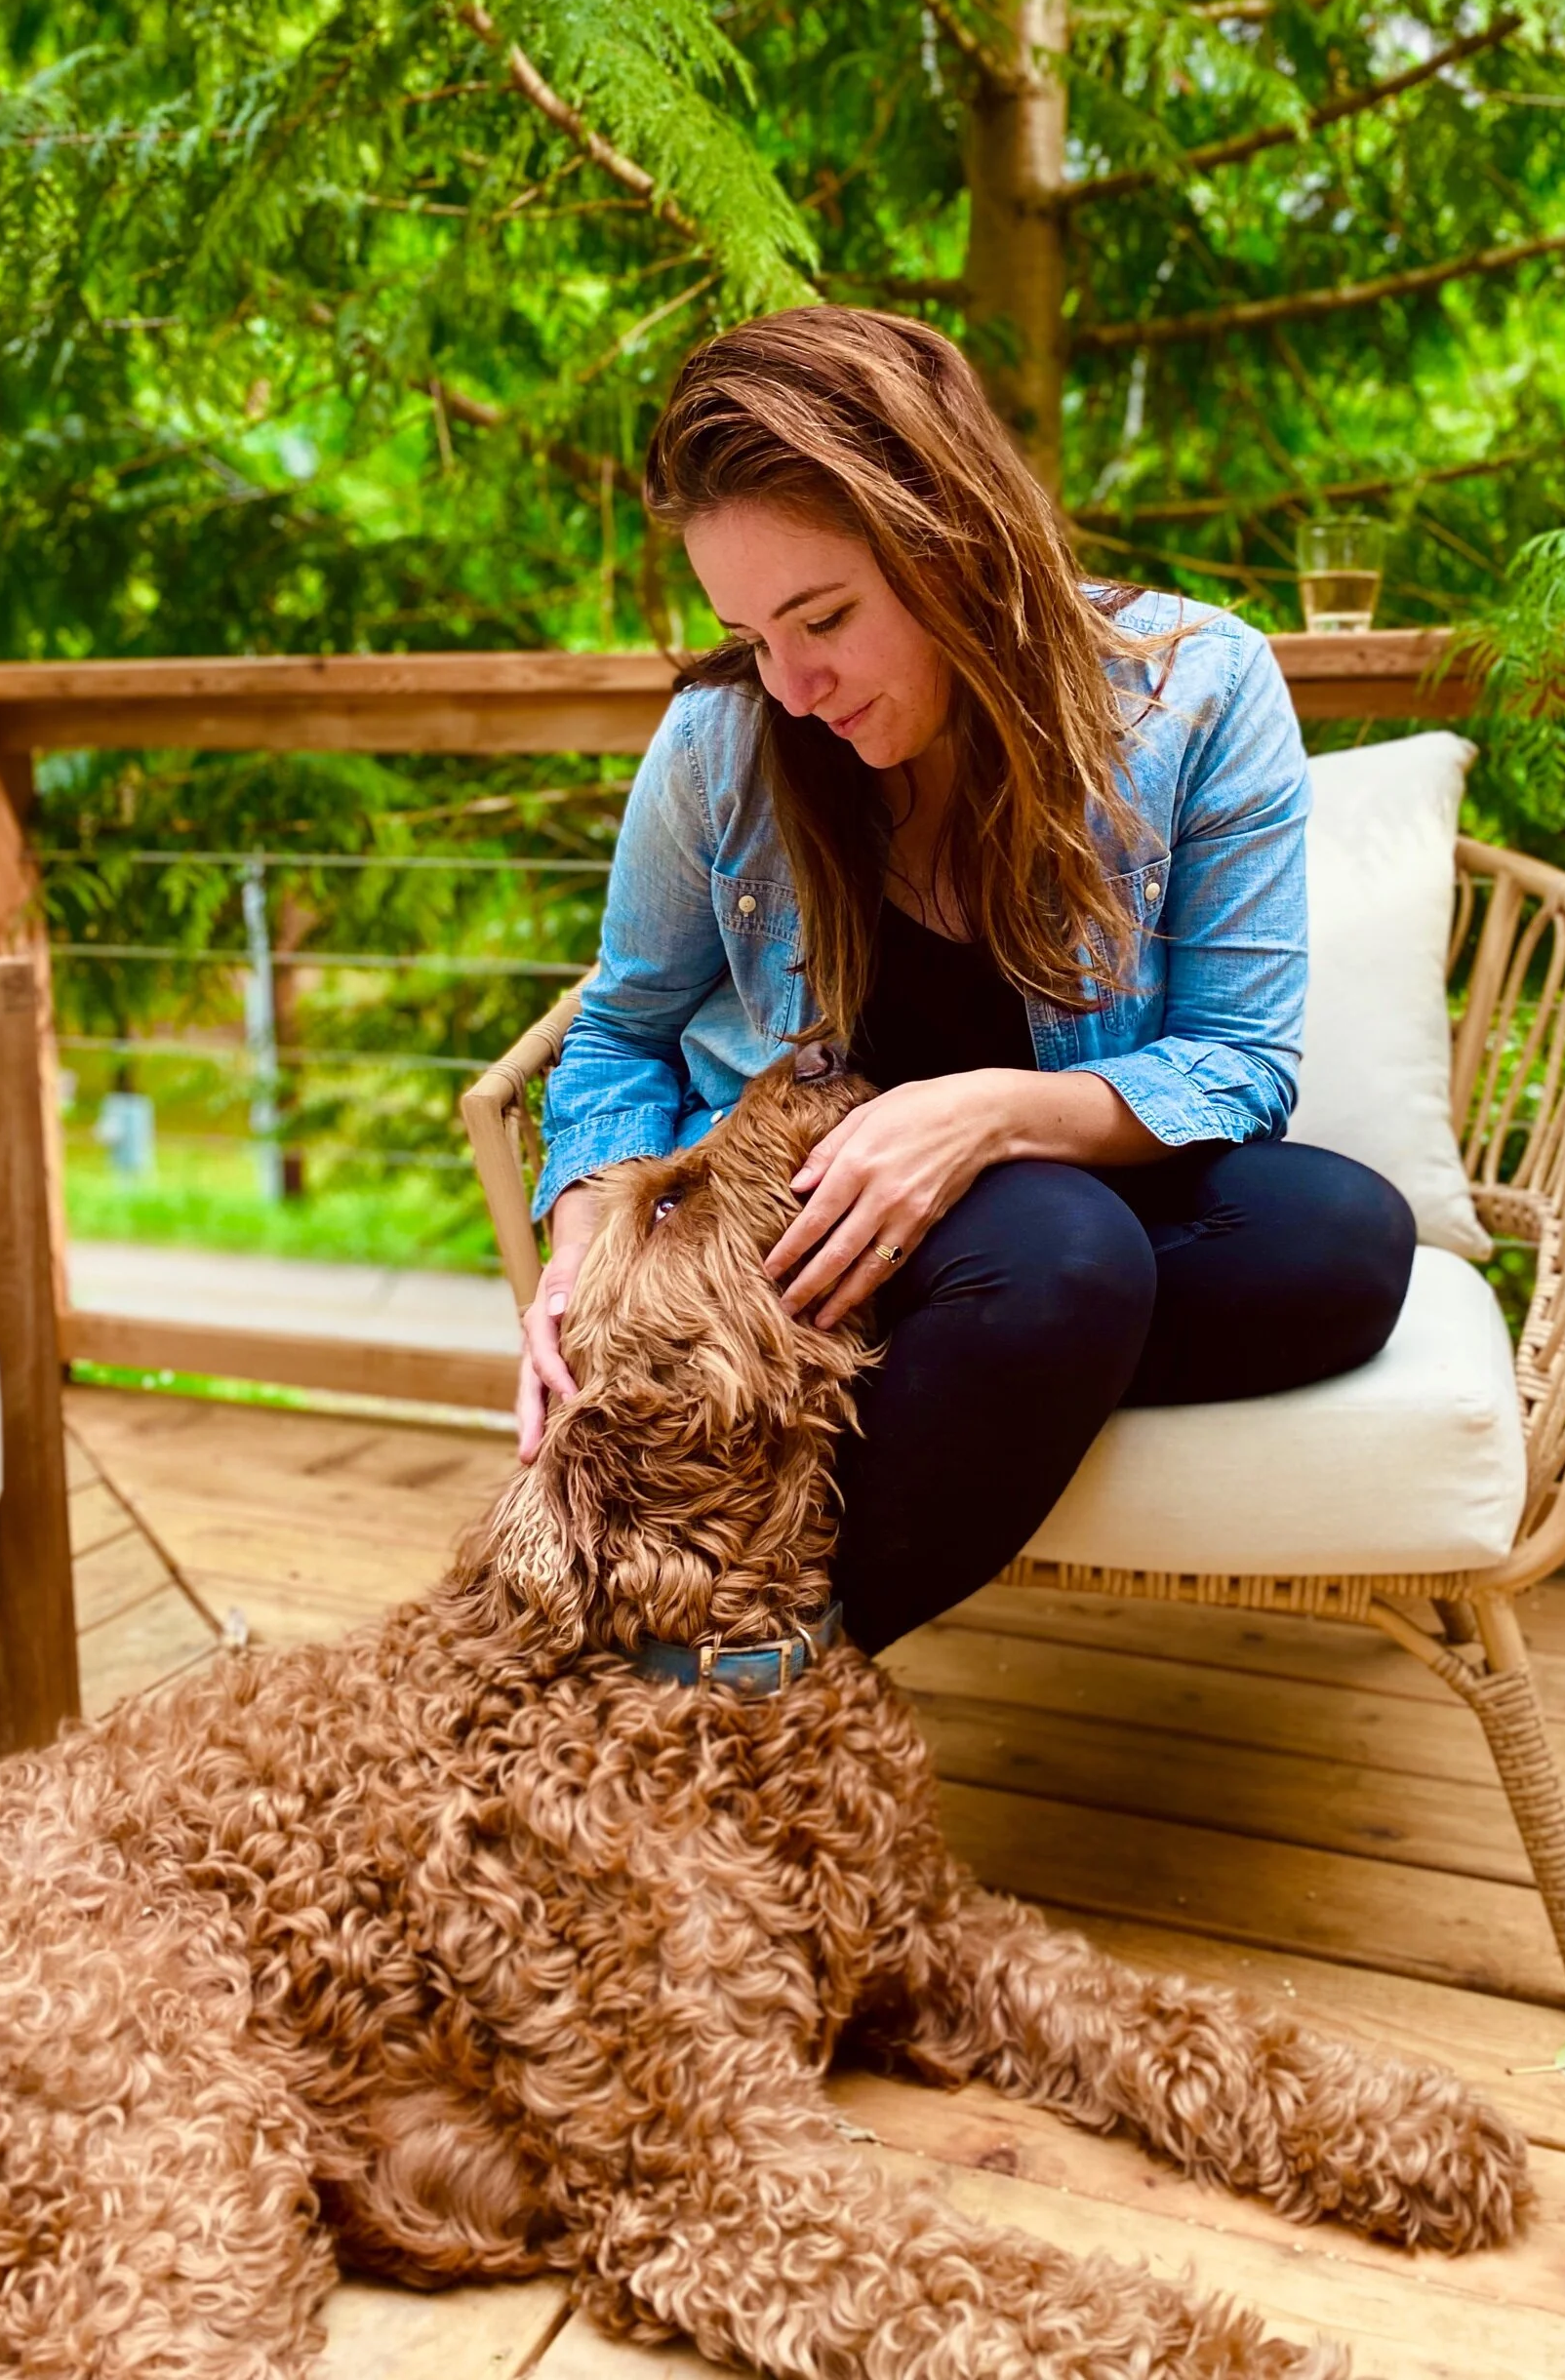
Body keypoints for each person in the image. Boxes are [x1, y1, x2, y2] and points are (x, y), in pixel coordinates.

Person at [518, 306, 1414, 1655]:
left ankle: (743, 1616)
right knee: (1063, 1258)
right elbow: (620, 1033)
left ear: (954, 541)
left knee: (1341, 1239)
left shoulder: (1198, 690)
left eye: (824, 617)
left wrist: (983, 1114)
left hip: (1057, 1200)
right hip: (803, 1246)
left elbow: (1238, 1061)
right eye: (751, 636)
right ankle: (743, 1671)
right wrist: (588, 1252)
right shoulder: (722, 740)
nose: (793, 686)